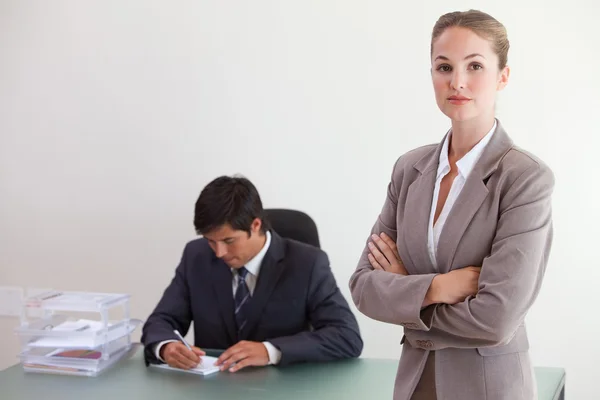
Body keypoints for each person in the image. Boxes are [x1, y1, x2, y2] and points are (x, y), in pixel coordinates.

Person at [349, 10, 553, 400]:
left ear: (503, 77)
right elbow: (363, 286)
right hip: (413, 385)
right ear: (431, 75)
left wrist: (407, 293)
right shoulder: (410, 169)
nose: (457, 82)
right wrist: (439, 287)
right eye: (444, 67)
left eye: (474, 65)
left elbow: (496, 319)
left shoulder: (525, 178)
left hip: (486, 388)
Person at [142, 175, 362, 372]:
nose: (219, 253)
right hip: (214, 390)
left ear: (255, 225)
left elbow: (346, 336)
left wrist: (270, 351)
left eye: (229, 241)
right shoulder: (196, 256)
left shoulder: (308, 263)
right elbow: (160, 321)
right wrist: (166, 346)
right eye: (211, 241)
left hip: (284, 389)